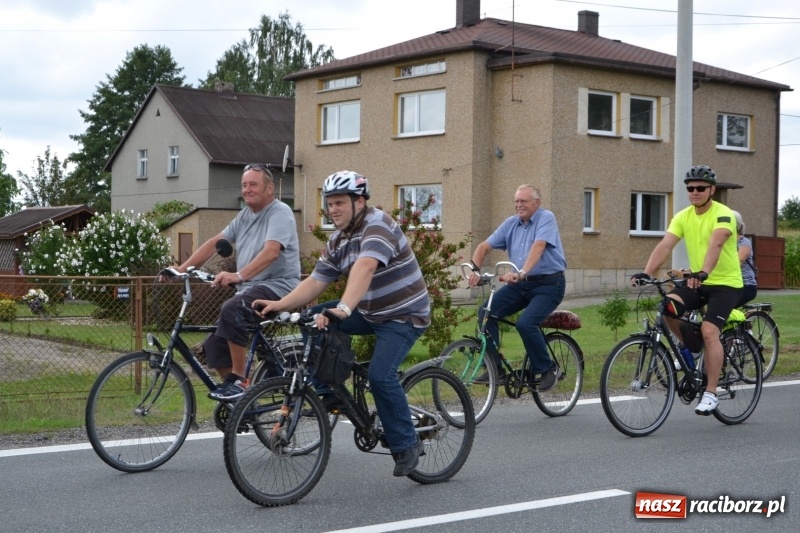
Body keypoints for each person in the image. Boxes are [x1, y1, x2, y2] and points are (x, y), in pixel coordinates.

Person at [254, 170, 430, 477]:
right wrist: (279, 305)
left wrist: (345, 308)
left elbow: (365, 266)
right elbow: (316, 281)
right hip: (370, 310)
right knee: (312, 319)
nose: (332, 209)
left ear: (359, 202)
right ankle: (330, 391)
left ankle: (407, 444)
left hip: (403, 315)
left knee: (380, 376)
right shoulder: (338, 240)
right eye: (329, 204)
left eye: (339, 203)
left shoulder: (378, 225)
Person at [176, 163, 300, 401]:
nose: (247, 190)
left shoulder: (280, 212)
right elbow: (216, 242)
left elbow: (272, 252)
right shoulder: (244, 216)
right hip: (250, 289)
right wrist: (181, 269)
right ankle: (242, 404)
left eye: (253, 184)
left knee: (233, 308)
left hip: (279, 287)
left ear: (269, 189)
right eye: (244, 185)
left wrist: (240, 275)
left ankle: (240, 380)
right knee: (214, 344)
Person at [631, 165, 742, 416]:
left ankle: (711, 393)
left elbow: (716, 243)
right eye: (690, 188)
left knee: (710, 331)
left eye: (700, 188)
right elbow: (665, 245)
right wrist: (647, 272)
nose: (695, 192)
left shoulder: (723, 214)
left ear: (712, 190)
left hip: (726, 284)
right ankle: (693, 348)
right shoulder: (683, 216)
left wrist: (703, 271)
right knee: (667, 307)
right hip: (697, 281)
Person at [467, 184, 567, 392]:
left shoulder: (546, 218)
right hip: (520, 285)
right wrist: (475, 270)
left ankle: (548, 368)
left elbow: (539, 247)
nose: (519, 205)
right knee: (486, 312)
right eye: (517, 201)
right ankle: (495, 369)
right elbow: (484, 247)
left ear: (536, 203)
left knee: (525, 323)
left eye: (524, 201)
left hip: (549, 284)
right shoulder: (511, 223)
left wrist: (521, 272)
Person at [732, 210, 758, 308]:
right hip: (728, 283)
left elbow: (739, 261)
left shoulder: (744, 242)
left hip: (746, 285)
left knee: (723, 308)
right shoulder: (722, 243)